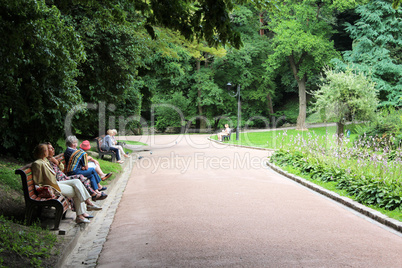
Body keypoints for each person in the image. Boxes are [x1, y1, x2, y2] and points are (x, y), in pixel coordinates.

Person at [32, 143, 93, 224]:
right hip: (52, 187)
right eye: (47, 149)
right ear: (43, 152)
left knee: (77, 181)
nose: (48, 151)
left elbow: (58, 169)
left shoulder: (45, 160)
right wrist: (43, 188)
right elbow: (38, 180)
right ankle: (80, 215)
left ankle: (86, 204)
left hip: (56, 183)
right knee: (76, 191)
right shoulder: (37, 163)